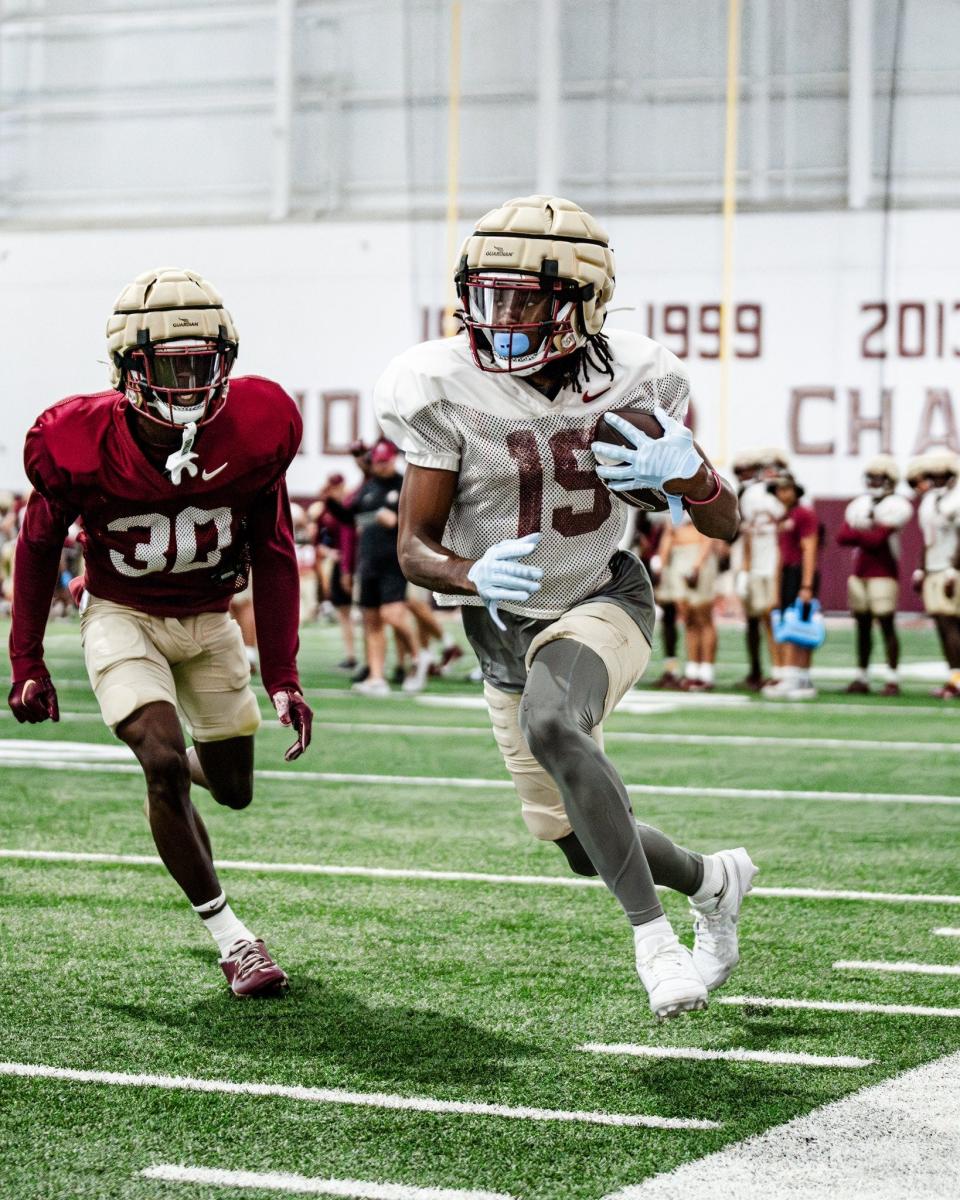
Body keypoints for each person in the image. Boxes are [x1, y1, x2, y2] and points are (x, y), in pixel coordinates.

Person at [376, 194, 753, 1020]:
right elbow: (414, 546)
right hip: (502, 630)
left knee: (555, 725)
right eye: (488, 294)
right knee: (581, 843)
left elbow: (726, 521)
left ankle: (654, 944)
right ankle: (712, 880)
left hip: (600, 596)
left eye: (524, 299)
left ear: (583, 303)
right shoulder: (440, 383)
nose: (499, 316)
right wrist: (468, 574)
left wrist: (692, 475)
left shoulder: (637, 377)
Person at [7, 267, 313, 996]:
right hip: (123, 615)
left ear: (225, 362)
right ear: (127, 368)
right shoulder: (74, 439)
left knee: (233, 790)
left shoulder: (258, 426)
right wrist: (29, 659)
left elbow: (273, 552)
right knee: (162, 763)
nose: (186, 380)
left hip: (210, 619)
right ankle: (232, 939)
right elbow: (37, 543)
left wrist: (284, 676)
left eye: (200, 364)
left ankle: (181, 760)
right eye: (168, 365)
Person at [326, 439, 428, 696]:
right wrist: (331, 504)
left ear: (393, 459)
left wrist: (396, 522)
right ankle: (376, 676)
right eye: (377, 462)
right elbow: (351, 517)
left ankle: (419, 657)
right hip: (368, 561)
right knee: (371, 621)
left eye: (384, 461)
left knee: (393, 615)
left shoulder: (405, 485)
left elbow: (421, 522)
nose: (380, 466)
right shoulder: (368, 487)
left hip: (393, 561)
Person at [836, 456, 912, 696]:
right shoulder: (859, 504)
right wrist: (867, 531)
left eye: (879, 477)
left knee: (887, 624)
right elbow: (842, 537)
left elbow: (877, 540)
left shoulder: (898, 505)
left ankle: (892, 677)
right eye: (871, 477)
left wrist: (862, 532)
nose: (874, 481)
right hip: (860, 571)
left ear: (890, 480)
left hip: (883, 571)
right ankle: (862, 675)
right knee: (863, 626)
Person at [762, 471, 821, 700]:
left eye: (786, 489)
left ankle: (795, 677)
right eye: (778, 489)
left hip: (799, 573)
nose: (781, 493)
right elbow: (780, 554)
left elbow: (809, 549)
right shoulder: (785, 516)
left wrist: (806, 585)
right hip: (788, 572)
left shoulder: (804, 515)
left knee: (798, 626)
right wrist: (777, 587)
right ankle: (799, 676)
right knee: (789, 623)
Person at [736, 448, 787, 690]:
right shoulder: (750, 494)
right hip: (757, 563)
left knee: (776, 619)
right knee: (755, 618)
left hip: (780, 563)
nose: (771, 472)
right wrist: (745, 569)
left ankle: (784, 671)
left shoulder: (789, 492)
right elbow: (746, 533)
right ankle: (758, 670)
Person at [657, 516, 721, 691]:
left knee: (703, 617)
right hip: (678, 556)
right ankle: (693, 670)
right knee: (688, 618)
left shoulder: (698, 492)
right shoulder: (671, 497)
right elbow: (669, 533)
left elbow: (708, 531)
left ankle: (706, 672)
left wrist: (698, 564)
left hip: (697, 553)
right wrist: (661, 564)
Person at [915, 452, 960, 698]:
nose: (937, 479)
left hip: (950, 567)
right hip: (933, 566)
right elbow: (927, 538)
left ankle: (958, 679)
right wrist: (921, 568)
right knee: (942, 624)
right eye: (933, 475)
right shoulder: (929, 499)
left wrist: (954, 569)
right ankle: (954, 677)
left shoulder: (957, 498)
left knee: (950, 621)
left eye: (942, 475)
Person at [314, 473, 358, 669]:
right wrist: (331, 553)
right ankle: (351, 655)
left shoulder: (351, 505)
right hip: (341, 563)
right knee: (343, 611)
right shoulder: (326, 510)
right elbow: (318, 541)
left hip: (358, 563)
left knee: (373, 613)